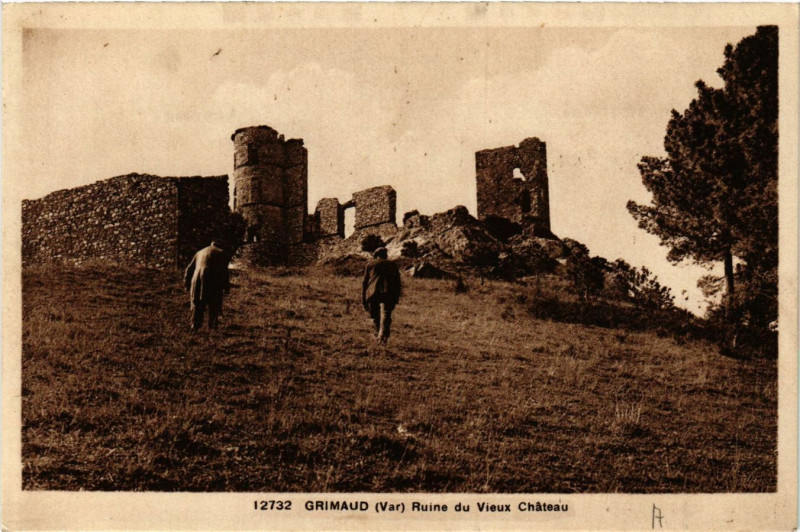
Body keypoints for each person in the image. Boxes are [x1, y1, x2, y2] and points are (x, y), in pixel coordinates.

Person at [184, 240, 230, 332]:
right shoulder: (220, 252)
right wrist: (226, 286)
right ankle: (212, 327)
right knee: (214, 303)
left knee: (197, 303)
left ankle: (194, 325)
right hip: (212, 279)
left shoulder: (199, 252)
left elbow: (189, 269)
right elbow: (224, 271)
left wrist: (186, 283)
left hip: (196, 280)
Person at [361, 247, 402, 344]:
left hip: (372, 293)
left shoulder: (370, 264)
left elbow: (364, 283)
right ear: (385, 255)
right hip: (388, 293)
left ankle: (379, 334)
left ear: (376, 255)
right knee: (385, 316)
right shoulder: (392, 265)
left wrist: (363, 299)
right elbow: (397, 282)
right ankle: (382, 337)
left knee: (375, 316)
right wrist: (396, 296)